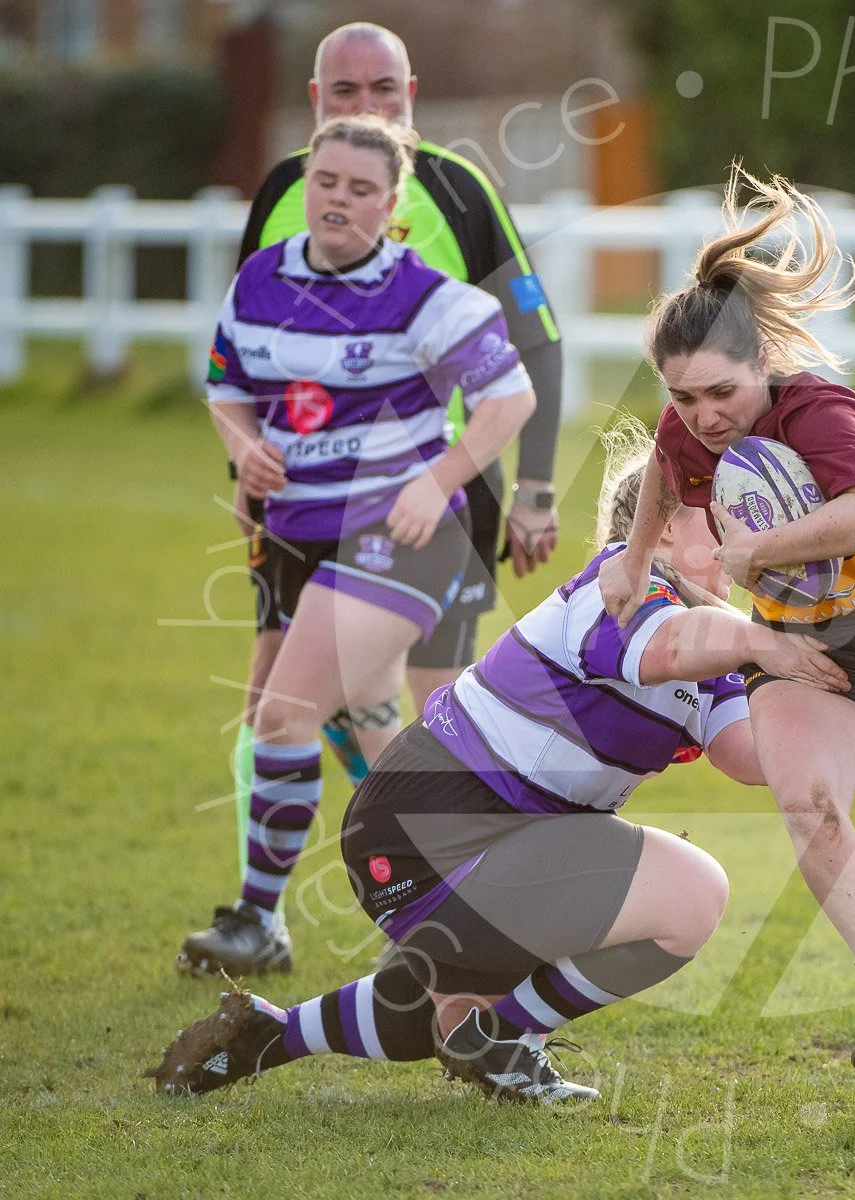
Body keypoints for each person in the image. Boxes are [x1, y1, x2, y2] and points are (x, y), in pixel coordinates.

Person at [148, 423, 848, 1105]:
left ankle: (269, 1035)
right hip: (423, 832)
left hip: (468, 850)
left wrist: (846, 693)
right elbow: (666, 646)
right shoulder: (619, 586)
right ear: (660, 529)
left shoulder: (721, 652)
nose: (744, 540)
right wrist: (767, 641)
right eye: (719, 517)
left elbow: (753, 757)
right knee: (694, 892)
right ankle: (500, 1037)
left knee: (450, 1010)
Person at [599, 166, 855, 1109]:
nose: (705, 416)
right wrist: (633, 557)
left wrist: (759, 551)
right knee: (809, 805)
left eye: (721, 391)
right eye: (683, 396)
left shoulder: (819, 408)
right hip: (807, 654)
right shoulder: (687, 426)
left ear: (763, 364)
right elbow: (664, 462)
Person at [215, 21, 568, 969]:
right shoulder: (282, 195)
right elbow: (247, 358)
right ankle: (316, 909)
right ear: (315, 99)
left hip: (424, 501)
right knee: (297, 707)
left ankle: (467, 900)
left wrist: (533, 490)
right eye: (346, 92)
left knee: (428, 711)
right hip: (297, 509)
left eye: (384, 91)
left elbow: (534, 349)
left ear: (410, 95)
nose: (367, 107)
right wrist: (244, 468)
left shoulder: (456, 192)